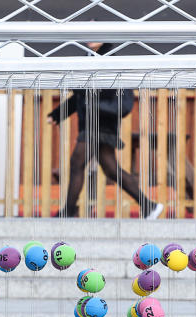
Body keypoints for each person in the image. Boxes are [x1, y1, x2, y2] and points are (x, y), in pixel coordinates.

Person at [48, 44, 164, 219]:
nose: (90, 39)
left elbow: (122, 101)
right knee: (111, 170)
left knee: (77, 163)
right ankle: (149, 205)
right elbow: (80, 97)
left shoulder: (110, 61)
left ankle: (68, 212)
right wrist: (57, 114)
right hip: (91, 124)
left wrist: (94, 106)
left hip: (102, 124)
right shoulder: (88, 60)